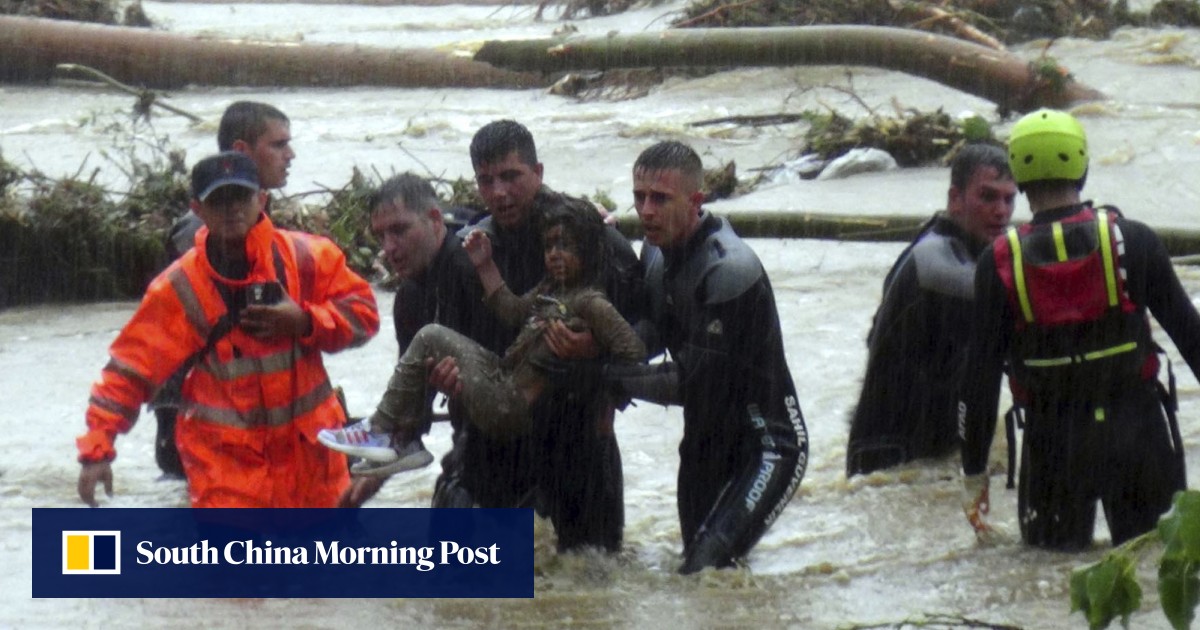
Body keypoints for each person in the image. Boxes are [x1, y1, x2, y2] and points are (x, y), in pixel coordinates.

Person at [76, 151, 380, 508]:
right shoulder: (180, 288)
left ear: (261, 200)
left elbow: (364, 315)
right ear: (198, 209)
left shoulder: (307, 258)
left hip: (314, 475)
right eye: (219, 199)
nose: (232, 208)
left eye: (241, 196)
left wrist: (304, 321)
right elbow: (130, 371)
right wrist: (97, 449)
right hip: (228, 482)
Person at [959, 109, 1199, 549]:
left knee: (1049, 585)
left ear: (1020, 177)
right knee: (1151, 570)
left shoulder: (997, 263)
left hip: (1054, 448)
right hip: (1138, 438)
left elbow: (979, 383)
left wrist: (973, 475)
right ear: (1083, 167)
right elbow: (1194, 338)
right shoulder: (1134, 240)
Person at [433, 119, 644, 552]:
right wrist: (444, 377)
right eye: (486, 181)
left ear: (539, 172)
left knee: (591, 584)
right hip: (497, 444)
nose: (499, 193)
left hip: (580, 436)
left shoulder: (598, 240)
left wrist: (595, 349)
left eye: (511, 176)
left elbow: (647, 333)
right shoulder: (467, 256)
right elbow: (452, 345)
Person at [319, 204, 646, 475]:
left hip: (510, 405)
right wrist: (486, 265)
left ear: (589, 250)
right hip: (503, 378)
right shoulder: (550, 288)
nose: (555, 255)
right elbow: (514, 311)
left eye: (567, 246)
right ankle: (400, 436)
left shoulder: (591, 302)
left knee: (431, 335)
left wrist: (591, 348)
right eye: (549, 246)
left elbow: (634, 350)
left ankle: (383, 430)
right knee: (431, 343)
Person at [614, 140, 808, 574]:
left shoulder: (728, 269)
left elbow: (692, 382)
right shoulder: (654, 253)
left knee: (705, 570)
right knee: (701, 582)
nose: (646, 210)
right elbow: (650, 336)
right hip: (704, 441)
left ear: (696, 200)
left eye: (660, 199)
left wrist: (607, 378)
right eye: (639, 197)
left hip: (766, 447)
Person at [846, 144, 1016, 476]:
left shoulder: (969, 252)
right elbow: (1005, 305)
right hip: (890, 457)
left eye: (1009, 199)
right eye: (987, 196)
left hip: (931, 449)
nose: (1001, 212)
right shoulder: (934, 262)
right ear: (955, 198)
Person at [151, 101, 296, 479]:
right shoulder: (199, 235)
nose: (290, 155)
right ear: (242, 152)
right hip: (199, 414)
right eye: (279, 145)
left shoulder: (254, 227)